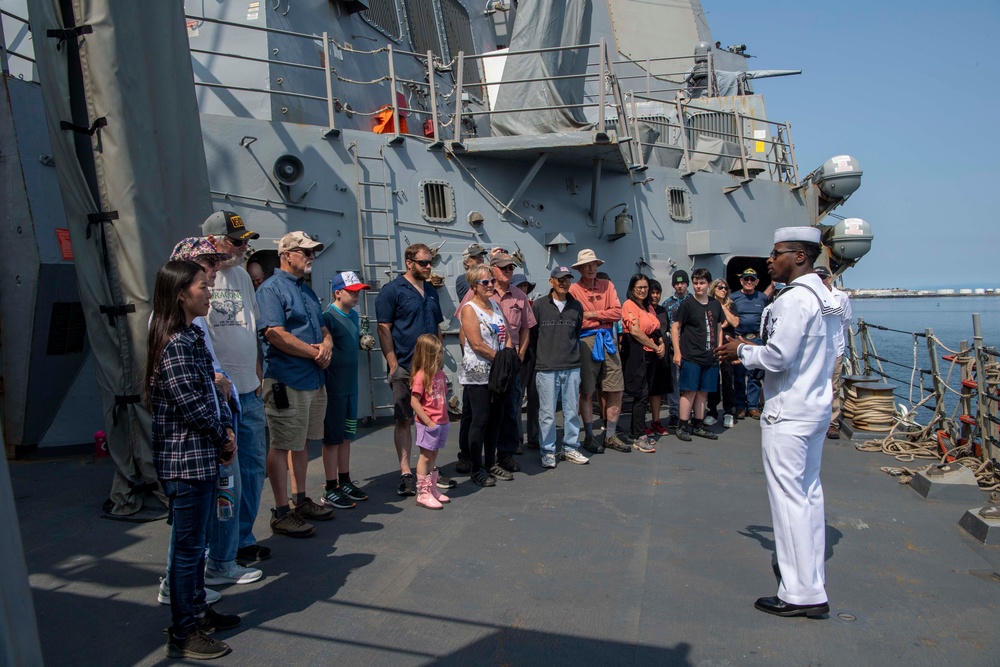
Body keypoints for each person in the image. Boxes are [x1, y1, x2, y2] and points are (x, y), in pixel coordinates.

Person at [716, 226, 843, 618]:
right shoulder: (831, 299)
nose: (768, 261)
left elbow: (778, 357)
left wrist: (742, 349)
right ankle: (810, 575)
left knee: (788, 501)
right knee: (809, 496)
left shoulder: (793, 301)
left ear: (800, 256)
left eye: (776, 253)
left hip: (787, 412)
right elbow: (836, 350)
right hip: (817, 408)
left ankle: (801, 593)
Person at [146, 260, 240, 659]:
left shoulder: (189, 336)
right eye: (203, 285)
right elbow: (193, 407)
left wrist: (224, 429)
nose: (209, 292)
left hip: (199, 457)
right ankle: (184, 631)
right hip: (187, 462)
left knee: (194, 545)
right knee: (187, 552)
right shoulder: (176, 343)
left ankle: (198, 612)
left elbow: (208, 397)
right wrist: (223, 436)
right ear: (182, 293)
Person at [202, 211, 271, 567]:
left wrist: (257, 377)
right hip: (220, 396)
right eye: (236, 241)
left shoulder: (242, 276)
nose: (244, 248)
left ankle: (241, 539)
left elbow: (252, 328)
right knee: (227, 477)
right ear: (213, 241)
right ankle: (220, 550)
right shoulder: (200, 280)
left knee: (253, 467)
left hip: (249, 389)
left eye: (246, 241)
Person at [257, 231, 336, 538]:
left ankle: (300, 500)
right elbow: (274, 333)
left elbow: (322, 326)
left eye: (313, 252)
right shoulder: (271, 289)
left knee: (301, 441)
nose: (311, 257)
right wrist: (315, 351)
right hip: (287, 379)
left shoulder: (306, 291)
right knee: (281, 443)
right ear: (287, 254)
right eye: (305, 252)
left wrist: (326, 343)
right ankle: (280, 512)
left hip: (312, 379)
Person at [375, 243, 451, 496]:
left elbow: (437, 326)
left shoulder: (430, 290)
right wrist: (393, 363)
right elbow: (383, 328)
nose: (428, 267)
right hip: (406, 366)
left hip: (431, 368)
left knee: (431, 417)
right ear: (409, 263)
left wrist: (439, 357)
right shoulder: (392, 291)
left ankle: (428, 469)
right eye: (423, 263)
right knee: (405, 418)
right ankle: (406, 472)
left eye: (430, 262)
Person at [319, 271, 371, 509]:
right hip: (335, 388)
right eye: (352, 292)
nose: (357, 295)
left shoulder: (353, 316)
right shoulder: (328, 317)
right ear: (337, 292)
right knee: (332, 438)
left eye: (358, 291)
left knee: (347, 436)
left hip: (351, 387)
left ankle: (344, 480)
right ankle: (330, 487)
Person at [459, 263, 513, 486]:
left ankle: (491, 462)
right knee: (479, 419)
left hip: (497, 373)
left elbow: (507, 334)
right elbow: (476, 344)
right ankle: (476, 467)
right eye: (485, 282)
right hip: (479, 373)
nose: (491, 285)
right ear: (474, 286)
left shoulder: (496, 307)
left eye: (492, 281)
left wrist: (508, 356)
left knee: (495, 419)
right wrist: (501, 360)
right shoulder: (469, 309)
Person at [569, 249, 627, 453]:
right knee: (586, 391)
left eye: (593, 264)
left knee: (616, 388)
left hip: (608, 339)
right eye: (587, 265)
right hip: (587, 341)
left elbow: (618, 313)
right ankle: (590, 436)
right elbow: (577, 319)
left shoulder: (607, 285)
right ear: (580, 269)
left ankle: (610, 435)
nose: (591, 267)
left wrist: (593, 313)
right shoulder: (574, 290)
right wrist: (604, 316)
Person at [532, 266, 588, 468]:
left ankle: (570, 447)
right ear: (551, 281)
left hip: (572, 366)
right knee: (547, 413)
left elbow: (577, 331)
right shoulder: (538, 306)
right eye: (560, 279)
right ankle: (548, 451)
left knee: (572, 411)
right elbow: (533, 336)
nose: (564, 282)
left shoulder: (577, 307)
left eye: (567, 279)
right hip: (546, 367)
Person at [670, 268, 722, 441]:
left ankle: (698, 425)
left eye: (702, 283)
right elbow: (675, 326)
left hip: (710, 356)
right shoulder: (687, 304)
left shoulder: (715, 304)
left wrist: (719, 349)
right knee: (689, 391)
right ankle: (682, 425)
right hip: (691, 356)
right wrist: (677, 352)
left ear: (708, 284)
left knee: (703, 392)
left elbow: (719, 326)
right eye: (696, 283)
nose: (698, 286)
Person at [620, 274, 664, 453]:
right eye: (639, 287)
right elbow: (636, 331)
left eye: (645, 287)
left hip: (650, 354)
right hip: (637, 353)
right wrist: (655, 346)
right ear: (632, 288)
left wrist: (661, 344)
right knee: (641, 394)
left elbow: (656, 328)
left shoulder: (648, 307)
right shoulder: (629, 305)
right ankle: (639, 436)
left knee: (645, 392)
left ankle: (633, 432)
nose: (643, 290)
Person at [409, 334, 452, 509]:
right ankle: (423, 493)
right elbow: (414, 401)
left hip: (441, 422)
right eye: (437, 353)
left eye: (441, 352)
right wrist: (428, 422)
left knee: (433, 455)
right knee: (425, 456)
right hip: (429, 424)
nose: (440, 356)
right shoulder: (421, 376)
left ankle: (432, 488)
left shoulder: (440, 374)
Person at [815, 266, 852, 439]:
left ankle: (832, 423)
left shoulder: (841, 297)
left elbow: (846, 321)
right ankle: (815, 421)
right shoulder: (811, 297)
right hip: (815, 349)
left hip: (835, 348)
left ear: (829, 278)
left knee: (833, 387)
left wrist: (835, 339)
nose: (821, 280)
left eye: (823, 277)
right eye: (817, 277)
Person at [731, 268, 768, 419]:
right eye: (746, 279)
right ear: (741, 281)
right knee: (739, 375)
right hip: (740, 339)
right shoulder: (734, 297)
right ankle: (740, 406)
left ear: (757, 282)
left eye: (752, 279)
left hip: (756, 340)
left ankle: (752, 406)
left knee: (755, 375)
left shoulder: (762, 298)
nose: (749, 282)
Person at [511, 273, 540, 452]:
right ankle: (517, 439)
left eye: (525, 287)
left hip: (534, 357)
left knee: (535, 399)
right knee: (517, 398)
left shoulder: (533, 307)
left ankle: (534, 436)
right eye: (520, 286)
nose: (523, 289)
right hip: (519, 357)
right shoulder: (510, 308)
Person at [706, 278, 740, 427]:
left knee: (727, 378)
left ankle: (729, 412)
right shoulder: (708, 304)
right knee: (713, 379)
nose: (723, 290)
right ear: (714, 289)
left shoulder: (731, 305)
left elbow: (735, 322)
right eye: (720, 287)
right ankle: (712, 411)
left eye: (725, 288)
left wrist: (723, 307)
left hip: (727, 346)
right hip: (712, 344)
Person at [663, 270, 689, 428]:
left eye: (682, 283)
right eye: (677, 283)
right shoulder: (667, 304)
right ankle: (674, 413)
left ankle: (688, 412)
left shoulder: (694, 301)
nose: (680, 286)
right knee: (674, 382)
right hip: (674, 348)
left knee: (689, 382)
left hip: (691, 348)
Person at [648, 280, 671, 435]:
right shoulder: (641, 310)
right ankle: (639, 424)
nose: (655, 296)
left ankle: (656, 421)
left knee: (657, 391)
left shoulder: (663, 310)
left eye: (658, 293)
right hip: (647, 356)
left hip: (662, 357)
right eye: (653, 292)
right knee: (644, 391)